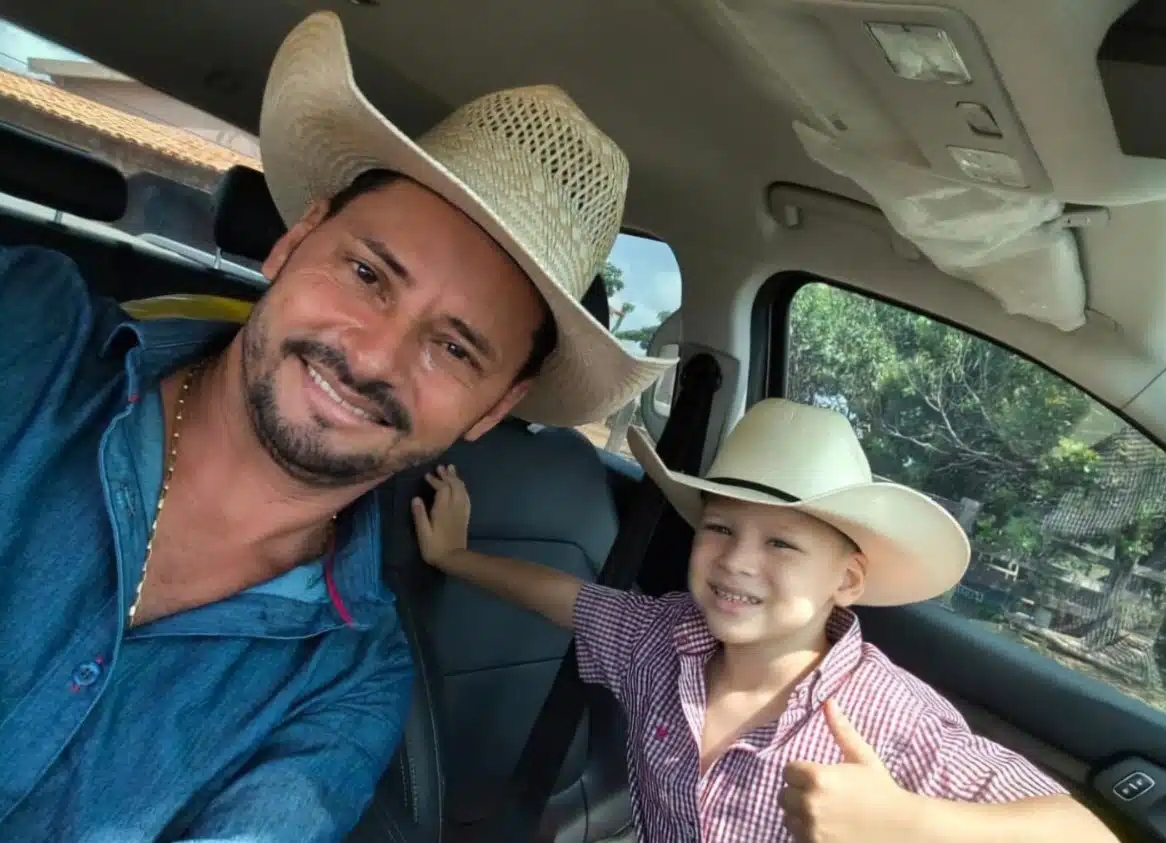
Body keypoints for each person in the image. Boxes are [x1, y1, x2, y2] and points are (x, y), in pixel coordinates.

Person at [0, 9, 672, 842]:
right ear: (294, 241)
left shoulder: (351, 687)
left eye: (454, 348)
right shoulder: (27, 330)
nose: (374, 356)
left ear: (494, 408)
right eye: (365, 273)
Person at [414, 398, 1122, 843]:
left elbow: (1085, 833)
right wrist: (455, 558)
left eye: (781, 543)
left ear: (846, 580)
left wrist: (913, 825)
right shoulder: (660, 639)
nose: (736, 562)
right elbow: (567, 598)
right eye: (719, 528)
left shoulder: (886, 718)